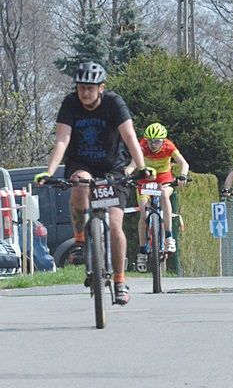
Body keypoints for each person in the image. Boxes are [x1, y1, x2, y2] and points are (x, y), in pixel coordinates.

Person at [34, 61, 151, 305]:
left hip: (112, 169)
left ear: (101, 88)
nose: (85, 93)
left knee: (116, 226)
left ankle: (119, 280)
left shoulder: (113, 102)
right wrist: (49, 171)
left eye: (90, 88)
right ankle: (80, 239)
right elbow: (62, 140)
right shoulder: (70, 104)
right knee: (79, 184)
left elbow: (129, 136)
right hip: (82, 165)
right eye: (81, 88)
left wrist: (141, 167)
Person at [127, 123, 189, 272]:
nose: (153, 144)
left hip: (163, 179)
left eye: (156, 141)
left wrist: (183, 176)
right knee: (143, 213)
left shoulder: (169, 146)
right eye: (150, 141)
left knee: (164, 195)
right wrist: (128, 174)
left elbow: (184, 163)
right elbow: (132, 164)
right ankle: (142, 251)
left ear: (163, 140)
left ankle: (168, 236)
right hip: (145, 181)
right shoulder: (142, 146)